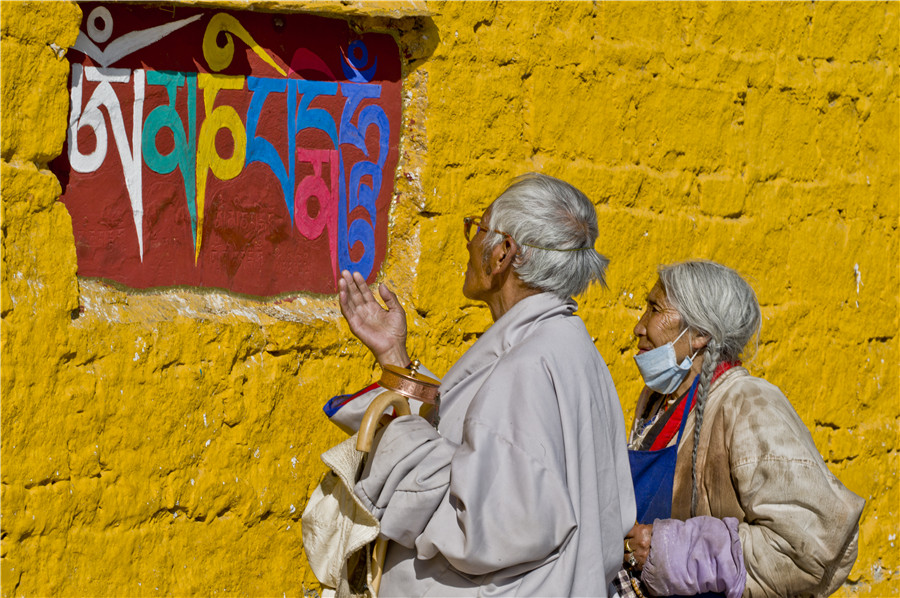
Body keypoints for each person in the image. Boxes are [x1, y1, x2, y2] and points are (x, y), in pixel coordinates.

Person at [322, 173, 636, 596]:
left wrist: (397, 439)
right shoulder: (569, 348)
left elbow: (493, 526)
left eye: (478, 228)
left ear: (504, 252)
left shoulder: (529, 366)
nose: (470, 243)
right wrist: (395, 358)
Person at [619, 260, 864, 598]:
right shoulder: (655, 400)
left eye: (654, 309)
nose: (639, 327)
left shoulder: (747, 403)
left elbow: (809, 546)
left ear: (701, 334)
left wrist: (673, 552)